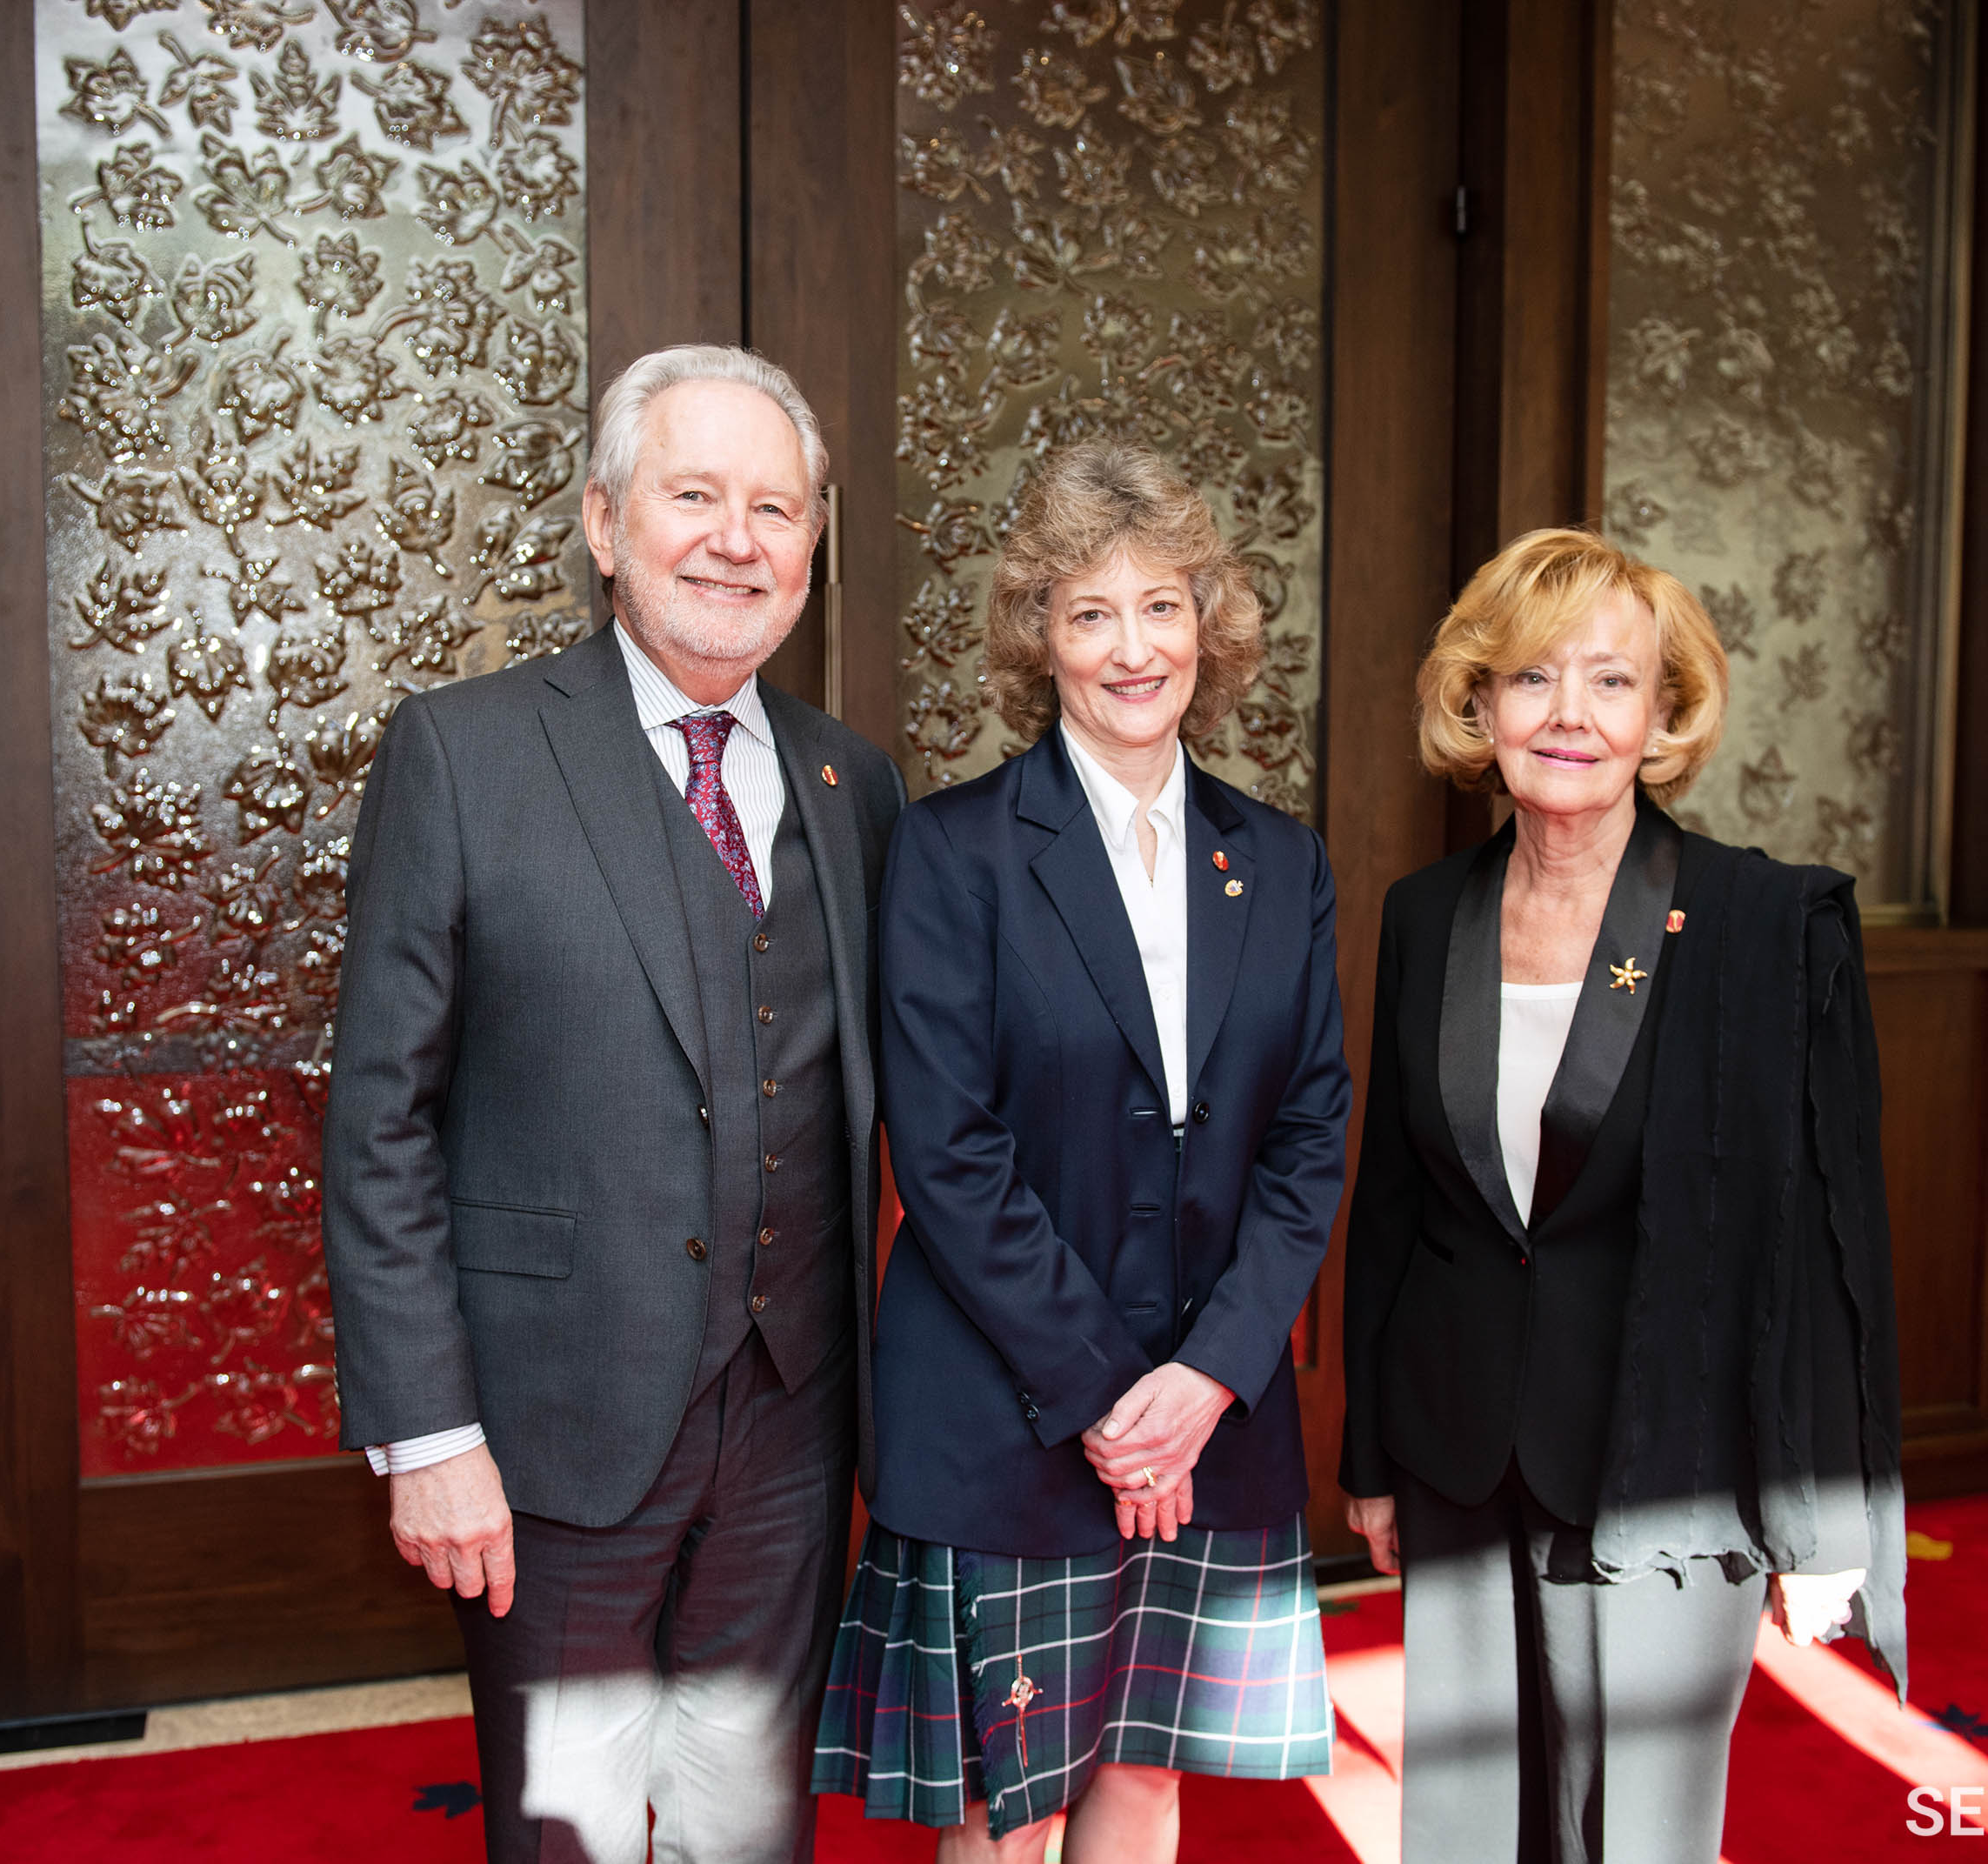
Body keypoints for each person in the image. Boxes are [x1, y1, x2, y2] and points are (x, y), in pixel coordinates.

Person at [323, 343, 907, 1864]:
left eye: (776, 507)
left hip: (794, 1422)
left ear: (813, 548)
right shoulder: (463, 754)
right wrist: (426, 1434)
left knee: (746, 1824)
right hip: (550, 1434)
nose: (738, 538)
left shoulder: (858, 785)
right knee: (574, 1834)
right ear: (602, 522)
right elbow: (379, 1117)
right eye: (694, 494)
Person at [813, 443, 1351, 1863]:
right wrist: (1119, 1404)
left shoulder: (1281, 861)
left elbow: (1309, 1141)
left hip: (1210, 1414)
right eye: (1090, 612)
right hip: (1014, 1413)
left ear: (1209, 625)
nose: (1133, 648)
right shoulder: (952, 852)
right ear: (1037, 638)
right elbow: (947, 1152)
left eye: (1162, 606)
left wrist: (1207, 1381)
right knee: (1010, 1809)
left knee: (1146, 1778)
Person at [1338, 527, 1907, 1864]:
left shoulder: (1769, 927)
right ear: (1479, 708)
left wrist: (1826, 1513)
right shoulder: (1427, 913)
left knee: (1639, 1834)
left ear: (1665, 714)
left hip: (1672, 1455)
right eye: (1533, 680)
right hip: (1463, 1445)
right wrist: (1370, 1452)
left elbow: (1828, 1238)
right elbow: (1394, 1206)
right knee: (1471, 1824)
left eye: (1611, 681)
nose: (1571, 717)